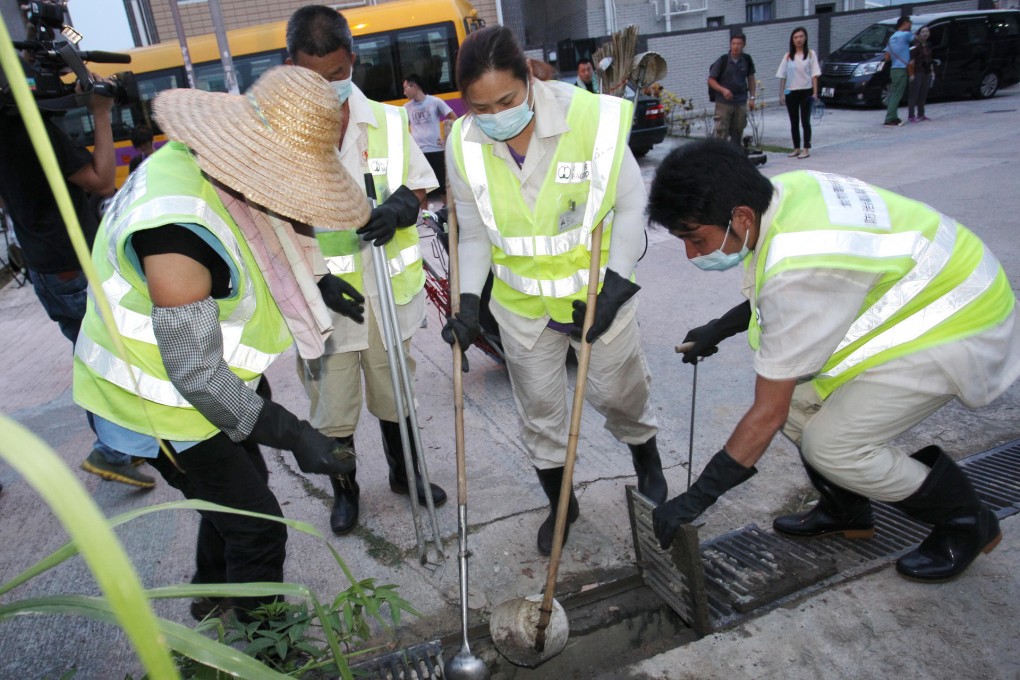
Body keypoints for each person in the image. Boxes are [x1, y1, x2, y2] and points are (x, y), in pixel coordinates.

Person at [647, 139, 1018, 583]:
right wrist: (720, 327)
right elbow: (790, 284)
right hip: (931, 289)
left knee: (831, 445)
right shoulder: (783, 194)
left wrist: (696, 499)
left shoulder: (802, 269)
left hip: (960, 321)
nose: (692, 254)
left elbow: (766, 411)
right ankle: (848, 510)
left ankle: (967, 521)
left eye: (695, 238)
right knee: (802, 407)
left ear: (740, 216)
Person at [73, 65, 369, 620]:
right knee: (259, 528)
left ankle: (213, 590)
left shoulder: (210, 166)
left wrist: (319, 281)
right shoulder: (177, 234)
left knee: (235, 495)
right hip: (154, 402)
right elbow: (197, 375)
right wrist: (295, 433)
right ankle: (267, 650)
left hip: (203, 386)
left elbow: (263, 235)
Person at [442, 26, 665, 556]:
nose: (496, 116)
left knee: (620, 392)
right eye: (481, 107)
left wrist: (617, 282)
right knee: (540, 410)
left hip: (596, 295)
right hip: (521, 307)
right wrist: (468, 302)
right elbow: (472, 233)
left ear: (529, 80)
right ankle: (562, 503)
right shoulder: (464, 143)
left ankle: (648, 464)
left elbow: (631, 205)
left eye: (507, 100)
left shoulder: (589, 118)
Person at [285, 5, 444, 536]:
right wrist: (314, 278)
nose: (326, 86)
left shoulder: (389, 120)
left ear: (351, 61)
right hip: (324, 302)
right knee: (332, 408)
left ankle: (407, 474)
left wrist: (404, 206)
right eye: (313, 77)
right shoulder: (278, 139)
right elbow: (270, 226)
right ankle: (345, 491)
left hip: (386, 294)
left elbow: (420, 186)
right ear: (291, 65)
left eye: (335, 74)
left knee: (395, 394)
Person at [0, 48, 156, 489]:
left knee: (91, 356)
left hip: (47, 268)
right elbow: (102, 179)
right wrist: (101, 114)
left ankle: (121, 444)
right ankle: (113, 448)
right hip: (71, 264)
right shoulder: (29, 129)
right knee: (112, 353)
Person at [402, 73, 456, 194]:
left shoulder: (435, 102)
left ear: (414, 86)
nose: (404, 93)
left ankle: (445, 211)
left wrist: (447, 139)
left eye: (405, 88)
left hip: (436, 150)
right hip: (419, 153)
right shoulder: (406, 107)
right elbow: (402, 129)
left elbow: (454, 119)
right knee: (422, 189)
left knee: (442, 188)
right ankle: (425, 213)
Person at [776, 27, 820, 159]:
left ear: (805, 38)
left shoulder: (811, 54)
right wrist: (782, 93)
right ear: (792, 40)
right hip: (791, 91)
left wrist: (815, 93)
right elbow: (782, 75)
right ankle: (796, 147)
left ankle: (806, 148)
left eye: (801, 36)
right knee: (793, 121)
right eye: (796, 37)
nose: (799, 40)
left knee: (805, 121)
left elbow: (814, 74)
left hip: (806, 91)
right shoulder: (788, 56)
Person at [708, 34, 756, 147]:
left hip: (740, 101)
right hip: (723, 102)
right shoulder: (723, 60)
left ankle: (734, 155)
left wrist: (752, 97)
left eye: (739, 44)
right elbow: (711, 80)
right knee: (721, 132)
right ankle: (720, 157)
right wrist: (723, 90)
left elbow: (751, 79)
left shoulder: (747, 60)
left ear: (744, 45)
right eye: (733, 44)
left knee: (738, 130)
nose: (736, 47)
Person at [883, 16, 913, 127]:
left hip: (893, 69)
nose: (910, 25)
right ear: (905, 23)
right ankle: (890, 118)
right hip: (901, 69)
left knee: (894, 93)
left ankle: (893, 116)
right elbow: (917, 40)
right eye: (910, 23)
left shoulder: (891, 38)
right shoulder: (906, 35)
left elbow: (886, 57)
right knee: (897, 94)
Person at [908, 25, 934, 123]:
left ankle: (921, 114)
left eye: (926, 32)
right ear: (918, 34)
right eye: (923, 32)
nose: (925, 34)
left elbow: (930, 59)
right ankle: (911, 115)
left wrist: (932, 71)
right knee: (914, 94)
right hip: (917, 71)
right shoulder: (915, 45)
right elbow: (911, 60)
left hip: (926, 71)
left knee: (923, 94)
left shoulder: (928, 45)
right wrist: (911, 74)